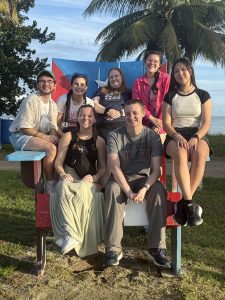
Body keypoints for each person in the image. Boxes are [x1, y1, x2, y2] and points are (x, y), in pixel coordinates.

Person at [104, 99, 170, 269]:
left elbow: (156, 170)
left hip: (144, 179)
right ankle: (113, 248)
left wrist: (144, 189)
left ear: (142, 114)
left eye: (135, 113)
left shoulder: (152, 136)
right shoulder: (114, 135)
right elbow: (114, 166)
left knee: (158, 190)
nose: (131, 117)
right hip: (122, 179)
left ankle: (157, 247)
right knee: (111, 189)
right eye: (127, 113)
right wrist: (128, 192)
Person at [50, 104, 107, 257]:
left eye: (89, 115)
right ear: (77, 117)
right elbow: (58, 162)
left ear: (95, 119)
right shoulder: (68, 136)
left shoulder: (99, 141)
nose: (85, 118)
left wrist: (94, 177)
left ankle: (75, 236)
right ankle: (71, 234)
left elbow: (103, 168)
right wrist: (62, 174)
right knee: (62, 188)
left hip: (88, 180)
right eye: (82, 115)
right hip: (69, 176)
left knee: (83, 189)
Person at [162, 57, 212, 226]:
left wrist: (196, 137)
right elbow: (166, 123)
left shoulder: (203, 95)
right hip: (175, 134)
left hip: (197, 134)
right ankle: (190, 204)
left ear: (190, 71)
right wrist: (177, 136)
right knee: (181, 154)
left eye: (183, 69)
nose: (180, 73)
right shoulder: (170, 96)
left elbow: (206, 123)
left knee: (200, 153)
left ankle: (183, 204)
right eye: (176, 71)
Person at [9, 69, 59, 193]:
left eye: (49, 81)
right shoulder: (31, 99)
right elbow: (24, 127)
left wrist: (53, 137)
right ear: (37, 85)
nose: (46, 84)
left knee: (60, 144)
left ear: (54, 85)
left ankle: (60, 180)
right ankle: (50, 185)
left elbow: (53, 126)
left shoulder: (53, 105)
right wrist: (46, 138)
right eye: (42, 81)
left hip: (37, 137)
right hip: (21, 136)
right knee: (51, 148)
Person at [132, 50, 170, 135]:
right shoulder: (138, 82)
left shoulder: (166, 79)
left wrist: (159, 123)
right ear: (145, 62)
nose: (152, 63)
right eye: (149, 60)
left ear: (159, 65)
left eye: (156, 61)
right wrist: (151, 118)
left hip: (163, 120)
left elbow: (168, 102)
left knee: (157, 138)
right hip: (143, 121)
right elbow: (137, 104)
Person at [93, 67, 132, 141]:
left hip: (122, 126)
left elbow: (135, 107)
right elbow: (94, 104)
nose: (114, 79)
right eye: (111, 77)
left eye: (116, 76)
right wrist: (106, 111)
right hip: (103, 127)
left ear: (122, 77)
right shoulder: (101, 90)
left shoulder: (128, 92)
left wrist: (120, 113)